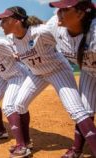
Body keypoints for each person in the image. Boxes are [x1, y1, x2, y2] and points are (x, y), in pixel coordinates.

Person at [0, 6, 96, 157]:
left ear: (17, 21)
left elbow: (63, 36)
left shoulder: (40, 32)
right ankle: (25, 144)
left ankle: (78, 148)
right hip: (36, 74)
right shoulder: (10, 40)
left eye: (4, 20)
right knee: (18, 105)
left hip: (58, 70)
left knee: (76, 110)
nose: (1, 24)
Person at [47, 0, 96, 157]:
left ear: (80, 13)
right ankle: (77, 149)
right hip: (89, 71)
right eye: (58, 9)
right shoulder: (54, 25)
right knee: (85, 110)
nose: (58, 13)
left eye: (64, 10)